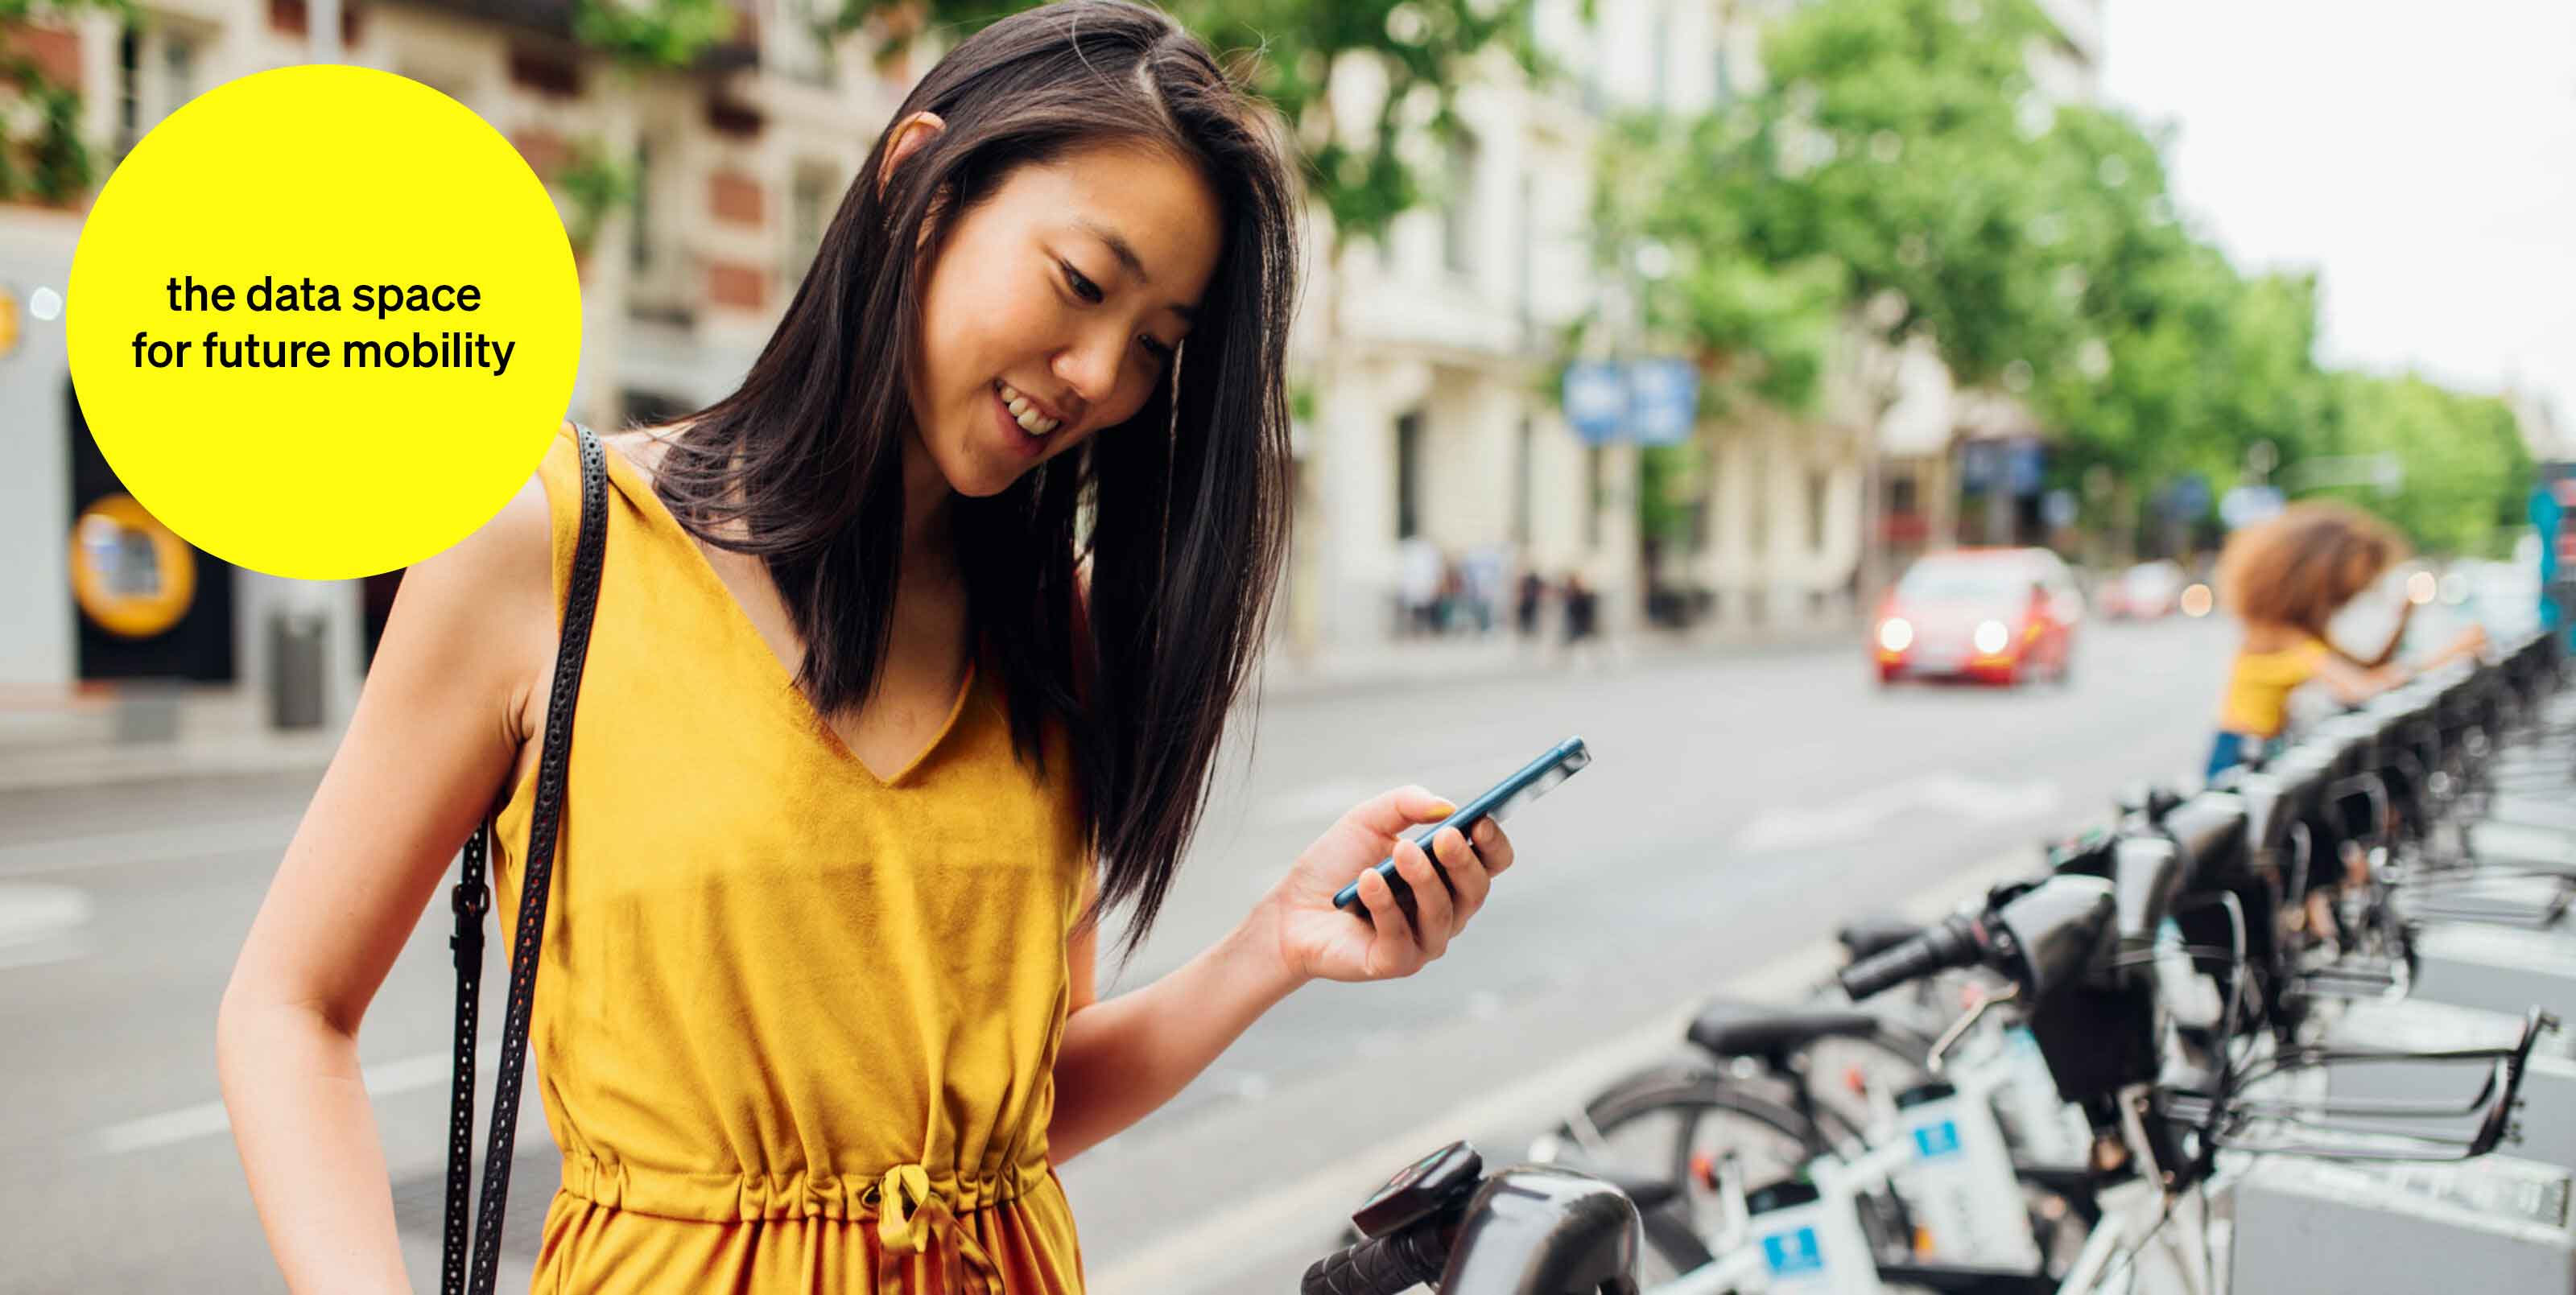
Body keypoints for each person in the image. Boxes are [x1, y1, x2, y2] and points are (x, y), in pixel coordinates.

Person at [213, 6, 1518, 1293]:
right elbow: (290, 1007)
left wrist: (1274, 945)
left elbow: (1010, 1106)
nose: (1097, 374)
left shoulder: (1052, 631)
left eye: (1154, 347)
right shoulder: (556, 544)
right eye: (1080, 283)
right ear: (917, 186)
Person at [2205, 501, 2484, 784]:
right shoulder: (2284, 639)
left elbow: (2366, 668)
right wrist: (2453, 652)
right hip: (2240, 754)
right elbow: (2365, 687)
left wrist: (2402, 621)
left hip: (2260, 748)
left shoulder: (2295, 635)